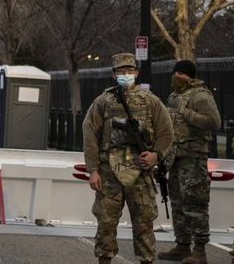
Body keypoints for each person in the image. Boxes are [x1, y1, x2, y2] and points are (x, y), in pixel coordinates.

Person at [82, 53, 174, 264]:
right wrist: (93, 170)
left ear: (137, 72)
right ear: (114, 75)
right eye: (121, 71)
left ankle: (146, 260)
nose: (126, 74)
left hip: (140, 172)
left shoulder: (151, 101)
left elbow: (166, 133)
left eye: (130, 71)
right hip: (109, 173)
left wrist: (156, 155)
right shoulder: (103, 101)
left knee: (144, 224)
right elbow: (90, 135)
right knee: (106, 223)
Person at [158, 59, 221, 263]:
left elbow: (213, 122)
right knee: (177, 203)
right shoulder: (174, 96)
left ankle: (200, 250)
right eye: (175, 73)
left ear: (190, 76)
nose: (176, 76)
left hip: (193, 159)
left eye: (181, 74)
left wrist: (187, 113)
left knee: (195, 203)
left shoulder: (201, 95)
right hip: (175, 158)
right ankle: (183, 245)